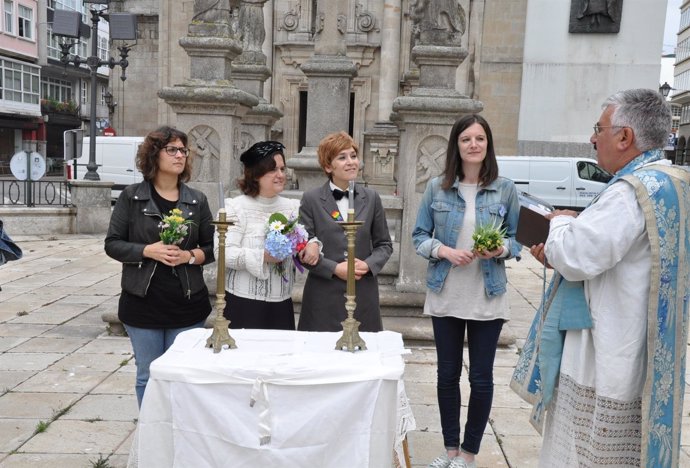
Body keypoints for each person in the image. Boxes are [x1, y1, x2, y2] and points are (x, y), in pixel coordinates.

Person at [511, 89, 690, 467]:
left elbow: (577, 255)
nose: (593, 138)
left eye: (600, 128)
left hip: (607, 355)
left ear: (625, 137)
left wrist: (559, 223)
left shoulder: (631, 192)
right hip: (646, 344)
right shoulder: (673, 182)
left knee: (588, 456)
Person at [412, 114, 521, 468]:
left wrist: (500, 249)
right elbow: (419, 236)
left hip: (486, 294)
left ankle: (469, 453)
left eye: (480, 139)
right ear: (456, 146)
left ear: (488, 145)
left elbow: (516, 240)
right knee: (446, 375)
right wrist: (444, 250)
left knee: (481, 377)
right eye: (466, 139)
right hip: (446, 292)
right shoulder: (436, 187)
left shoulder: (504, 189)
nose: (473, 145)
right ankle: (450, 450)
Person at [104, 126, 215, 408]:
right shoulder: (132, 197)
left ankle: (178, 435)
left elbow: (212, 248)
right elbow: (112, 244)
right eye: (172, 150)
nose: (180, 156)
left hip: (187, 304)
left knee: (180, 376)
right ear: (155, 154)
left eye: (183, 150)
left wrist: (189, 256)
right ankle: (151, 439)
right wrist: (147, 250)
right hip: (142, 302)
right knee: (148, 374)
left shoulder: (196, 200)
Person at [297, 131, 393, 332]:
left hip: (362, 293)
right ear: (327, 166)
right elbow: (303, 249)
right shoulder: (311, 199)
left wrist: (367, 265)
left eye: (353, 156)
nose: (351, 162)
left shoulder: (372, 198)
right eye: (342, 157)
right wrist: (333, 268)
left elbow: (384, 245)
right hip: (323, 296)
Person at [220, 140, 316, 330]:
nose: (281, 175)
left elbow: (306, 239)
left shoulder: (293, 208)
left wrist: (313, 244)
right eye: (273, 170)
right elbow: (223, 253)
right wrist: (263, 256)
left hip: (281, 305)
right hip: (242, 304)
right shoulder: (235, 207)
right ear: (256, 174)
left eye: (282, 168)